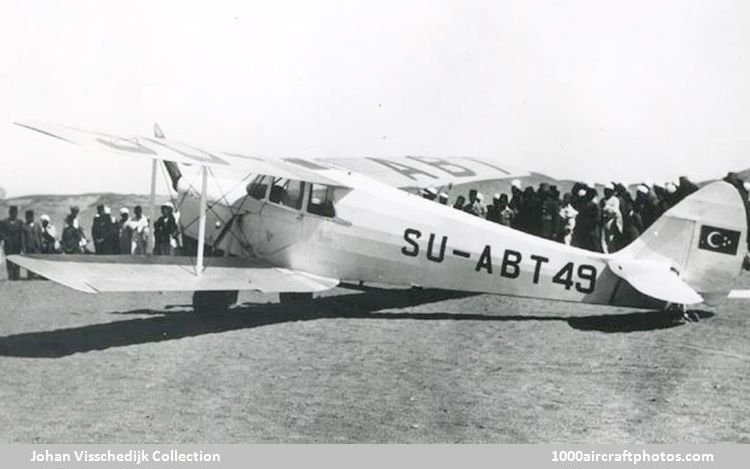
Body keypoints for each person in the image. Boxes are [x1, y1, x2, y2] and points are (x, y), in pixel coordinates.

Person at [572, 187, 602, 252]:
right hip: (583, 230)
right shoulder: (583, 204)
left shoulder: (595, 207)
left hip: (591, 231)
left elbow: (597, 219)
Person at [1, 206, 24, 280]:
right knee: (9, 260)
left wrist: (22, 245)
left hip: (17, 244)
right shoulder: (4, 222)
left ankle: (17, 275)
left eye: (15, 212)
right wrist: (5, 239)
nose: (14, 214)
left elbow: (22, 234)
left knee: (18, 260)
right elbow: (1, 233)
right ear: (9, 212)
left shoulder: (20, 222)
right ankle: (11, 276)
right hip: (8, 245)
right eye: (12, 212)